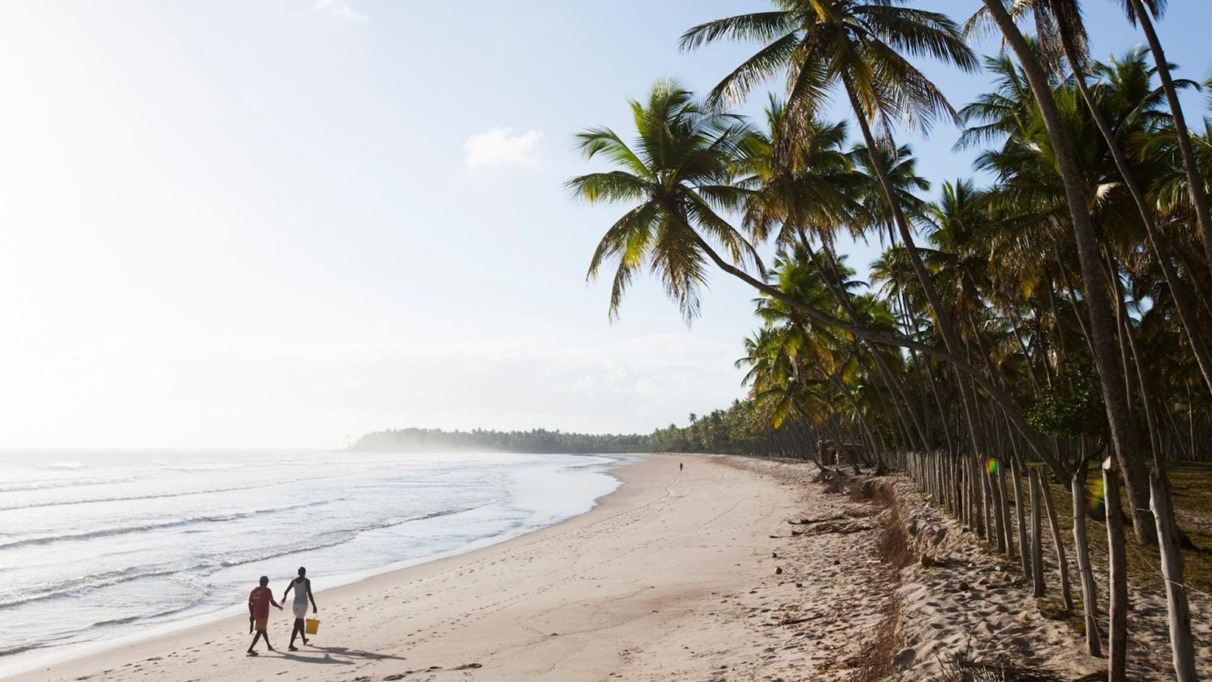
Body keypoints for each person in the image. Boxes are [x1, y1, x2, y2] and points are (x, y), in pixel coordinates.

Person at [282, 566, 318, 651]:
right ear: (304, 573)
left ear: (298, 573)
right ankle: (291, 644)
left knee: (300, 621)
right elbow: (309, 593)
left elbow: (285, 591)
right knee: (296, 625)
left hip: (294, 605)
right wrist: (314, 605)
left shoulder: (293, 581)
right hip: (303, 604)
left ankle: (304, 639)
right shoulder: (307, 581)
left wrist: (284, 598)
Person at [247, 576, 282, 656]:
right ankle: (250, 649)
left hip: (256, 613)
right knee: (260, 631)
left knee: (263, 630)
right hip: (263, 613)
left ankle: (269, 645)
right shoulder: (267, 590)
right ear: (266, 582)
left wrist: (252, 614)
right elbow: (272, 601)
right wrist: (278, 606)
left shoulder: (254, 591)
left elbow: (250, 603)